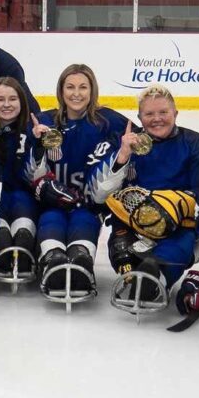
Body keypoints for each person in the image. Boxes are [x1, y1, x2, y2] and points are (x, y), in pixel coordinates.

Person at [87, 85, 199, 314]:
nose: (157, 119)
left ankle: (157, 277)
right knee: (123, 255)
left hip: (180, 228)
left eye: (163, 112)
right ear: (139, 117)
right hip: (131, 224)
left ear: (175, 113)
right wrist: (122, 156)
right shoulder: (124, 144)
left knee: (173, 252)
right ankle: (138, 277)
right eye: (149, 114)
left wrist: (171, 208)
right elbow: (98, 195)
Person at [28, 64, 128, 299]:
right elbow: (30, 172)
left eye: (83, 87)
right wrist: (37, 146)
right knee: (52, 218)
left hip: (89, 204)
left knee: (84, 219)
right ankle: (52, 260)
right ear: (61, 90)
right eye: (70, 87)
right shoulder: (44, 121)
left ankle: (82, 261)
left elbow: (144, 138)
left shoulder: (110, 121)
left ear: (92, 90)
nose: (76, 93)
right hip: (52, 204)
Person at [0, 77, 38, 282]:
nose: (6, 104)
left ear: (22, 101)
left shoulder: (32, 129)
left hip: (24, 197)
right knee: (2, 239)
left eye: (13, 99)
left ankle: (25, 247)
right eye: (0, 99)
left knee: (23, 233)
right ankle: (1, 244)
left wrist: (39, 144)